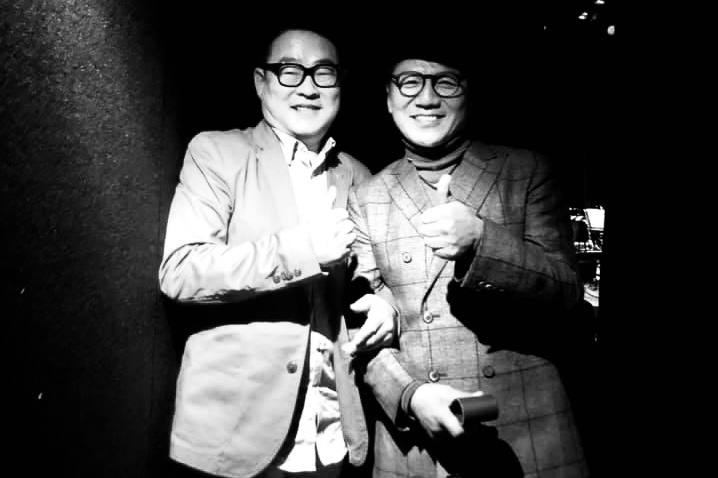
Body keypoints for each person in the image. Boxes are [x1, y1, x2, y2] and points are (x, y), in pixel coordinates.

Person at [345, 38, 590, 477]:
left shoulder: (525, 172)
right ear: (388, 97)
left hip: (523, 430)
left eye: (445, 82)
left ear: (469, 92)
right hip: (416, 446)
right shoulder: (367, 196)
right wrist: (410, 396)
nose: (426, 97)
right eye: (410, 82)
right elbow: (361, 334)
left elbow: (567, 292)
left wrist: (482, 241)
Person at [159, 27, 395, 478]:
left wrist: (385, 307)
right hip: (235, 435)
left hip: (331, 434)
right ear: (260, 82)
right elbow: (182, 271)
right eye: (290, 71)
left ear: (340, 84)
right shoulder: (218, 152)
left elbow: (369, 282)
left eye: (323, 73)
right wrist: (303, 250)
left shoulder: (358, 175)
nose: (307, 87)